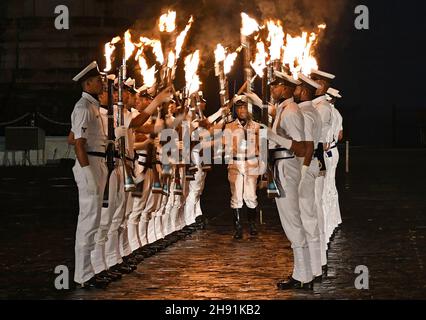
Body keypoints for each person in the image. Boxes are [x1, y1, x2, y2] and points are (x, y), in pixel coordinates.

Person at [267, 70, 314, 290]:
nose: (272, 89)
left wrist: (273, 136)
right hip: (280, 166)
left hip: (287, 167)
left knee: (292, 222)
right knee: (290, 221)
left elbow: (302, 147)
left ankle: (303, 275)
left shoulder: (291, 112)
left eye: (275, 86)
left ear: (285, 88)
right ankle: (301, 273)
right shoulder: (284, 110)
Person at [70, 61, 110, 288]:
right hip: (89, 163)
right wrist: (86, 173)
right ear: (88, 83)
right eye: (98, 80)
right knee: (88, 220)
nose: (102, 82)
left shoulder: (92, 106)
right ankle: (83, 275)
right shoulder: (83, 107)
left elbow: (71, 136)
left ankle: (91, 270)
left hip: (98, 161)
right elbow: (78, 144)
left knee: (95, 220)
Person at [297, 73, 324, 283]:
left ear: (304, 91)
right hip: (311, 164)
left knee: (305, 219)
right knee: (310, 217)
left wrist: (302, 173)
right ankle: (315, 268)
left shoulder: (305, 114)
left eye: (297, 88)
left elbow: (307, 146)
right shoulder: (313, 111)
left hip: (303, 166)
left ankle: (308, 272)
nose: (294, 91)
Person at [224, 95, 261, 239]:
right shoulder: (229, 126)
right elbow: (225, 147)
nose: (242, 110)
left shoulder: (256, 126)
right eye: (239, 107)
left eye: (244, 107)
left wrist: (263, 167)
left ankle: (252, 224)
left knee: (251, 196)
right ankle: (238, 227)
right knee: (236, 195)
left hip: (252, 163)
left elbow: (261, 148)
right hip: (236, 162)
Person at [311, 69, 335, 272]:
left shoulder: (322, 107)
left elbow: (313, 134)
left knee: (315, 207)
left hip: (315, 158)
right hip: (311, 157)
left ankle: (319, 256)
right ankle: (317, 256)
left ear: (321, 85)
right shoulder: (316, 105)